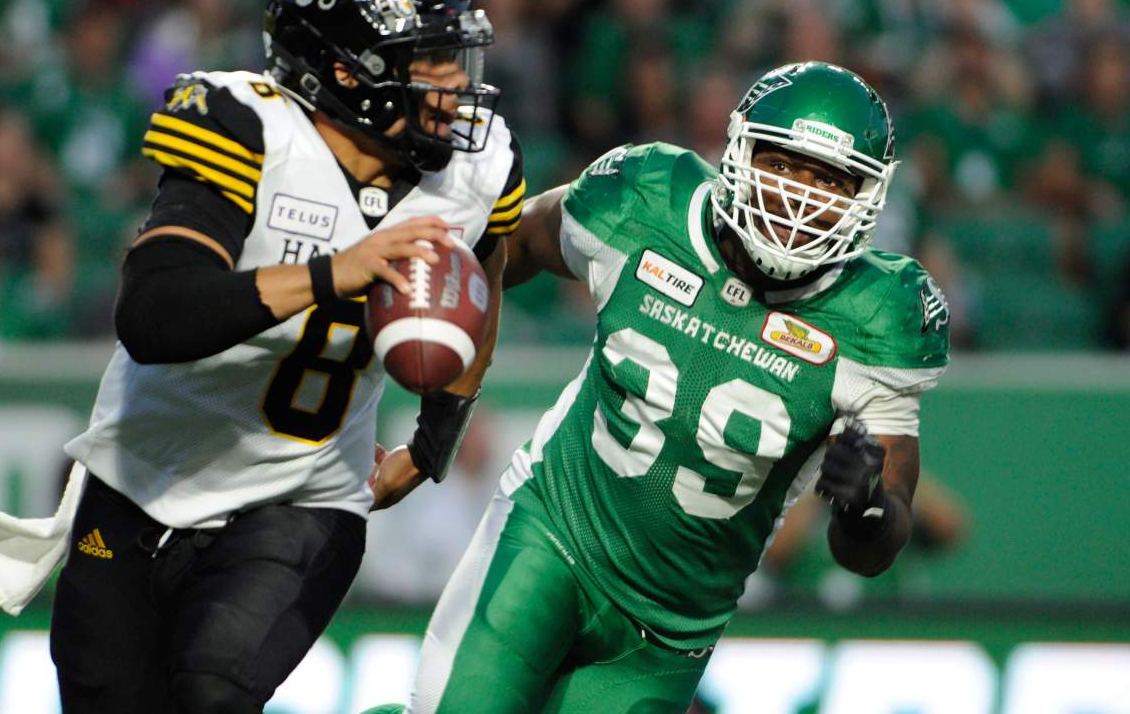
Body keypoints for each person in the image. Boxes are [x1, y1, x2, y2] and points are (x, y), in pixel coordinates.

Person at [0, 0, 524, 713]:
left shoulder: (477, 169)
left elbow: (484, 279)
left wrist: (435, 442)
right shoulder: (247, 126)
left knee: (213, 690)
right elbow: (154, 315)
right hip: (139, 485)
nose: (452, 84)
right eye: (427, 60)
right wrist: (337, 273)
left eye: (452, 57)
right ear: (345, 70)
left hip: (303, 498)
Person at [367, 61, 950, 713]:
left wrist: (863, 506)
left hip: (669, 633)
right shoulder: (649, 198)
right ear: (739, 152)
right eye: (783, 164)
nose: (800, 195)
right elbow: (510, 245)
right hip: (551, 536)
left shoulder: (880, 316)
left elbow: (871, 545)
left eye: (830, 180)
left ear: (868, 197)